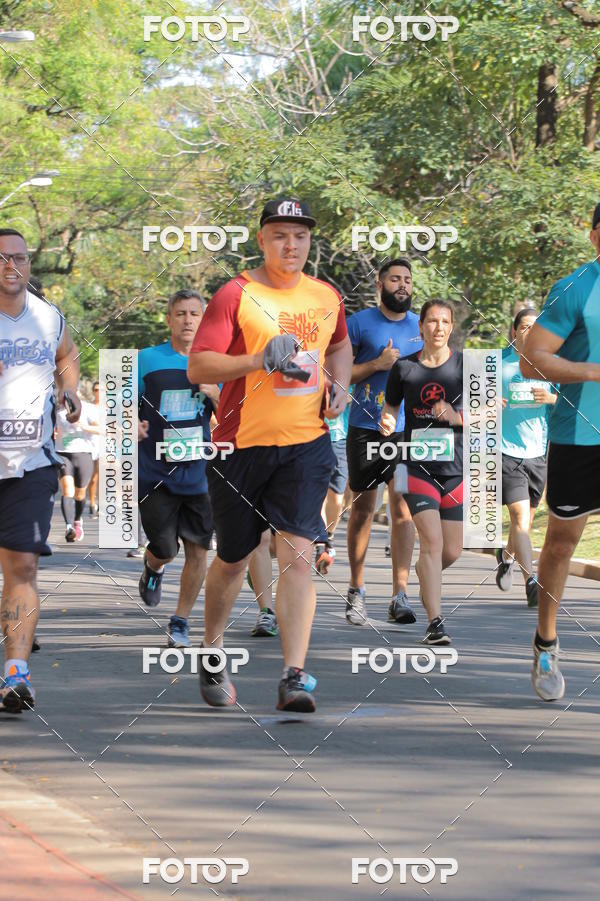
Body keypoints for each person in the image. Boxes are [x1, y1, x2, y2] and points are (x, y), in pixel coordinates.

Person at [188, 198, 351, 712]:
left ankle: (293, 676)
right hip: (238, 447)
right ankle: (212, 649)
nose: (291, 245)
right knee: (233, 560)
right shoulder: (236, 294)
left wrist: (341, 384)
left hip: (306, 444)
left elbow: (339, 346)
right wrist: (259, 359)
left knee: (297, 555)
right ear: (262, 240)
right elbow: (199, 367)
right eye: (280, 235)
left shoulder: (326, 295)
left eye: (300, 236)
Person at [520, 203, 600, 701]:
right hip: (580, 437)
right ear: (594, 236)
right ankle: (546, 641)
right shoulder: (575, 288)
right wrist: (593, 372)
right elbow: (531, 362)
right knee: (562, 543)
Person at [0, 228, 81, 712]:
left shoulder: (48, 316)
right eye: (1, 258)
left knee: (23, 564)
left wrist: (69, 389)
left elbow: (66, 356)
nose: (11, 266)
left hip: (31, 461)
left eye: (19, 258)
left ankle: (16, 673)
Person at [137, 289, 219, 649]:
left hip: (199, 471)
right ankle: (153, 567)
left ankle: (180, 621)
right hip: (154, 470)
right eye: (181, 313)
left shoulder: (216, 362)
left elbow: (234, 418)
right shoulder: (146, 359)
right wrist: (130, 422)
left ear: (204, 320)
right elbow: (119, 405)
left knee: (199, 549)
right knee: (165, 548)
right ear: (169, 319)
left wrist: (214, 393)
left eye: (194, 314)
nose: (188, 320)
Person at [380, 300, 463, 645]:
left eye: (445, 321)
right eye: (432, 321)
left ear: (452, 327)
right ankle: (435, 623)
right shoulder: (404, 368)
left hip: (455, 467)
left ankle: (424, 572)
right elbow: (390, 408)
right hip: (416, 465)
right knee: (432, 542)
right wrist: (387, 421)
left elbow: (489, 411)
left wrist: (457, 416)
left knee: (452, 551)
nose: (438, 327)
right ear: (421, 326)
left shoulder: (465, 365)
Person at [345, 258, 421, 626]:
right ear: (380, 284)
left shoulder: (421, 326)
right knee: (362, 509)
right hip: (365, 428)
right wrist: (377, 364)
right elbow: (339, 375)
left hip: (406, 431)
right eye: (395, 279)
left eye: (407, 279)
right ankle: (356, 589)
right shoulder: (358, 323)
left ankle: (399, 595)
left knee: (403, 509)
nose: (402, 285)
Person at [496, 308, 556, 607]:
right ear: (514, 331)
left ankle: (507, 556)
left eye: (536, 327)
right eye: (525, 327)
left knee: (526, 522)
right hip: (507, 453)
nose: (530, 332)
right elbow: (473, 396)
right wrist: (489, 400)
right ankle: (531, 581)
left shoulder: (549, 365)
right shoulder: (497, 363)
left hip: (537, 454)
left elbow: (567, 402)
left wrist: (551, 398)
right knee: (519, 518)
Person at [55, 388, 98, 542]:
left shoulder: (88, 409)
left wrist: (84, 426)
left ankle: (77, 520)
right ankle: (69, 527)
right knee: (67, 490)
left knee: (80, 494)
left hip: (84, 454)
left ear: (79, 394)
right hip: (63, 453)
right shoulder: (57, 409)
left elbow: (102, 428)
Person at [315, 402, 350, 574]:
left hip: (341, 441)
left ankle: (329, 535)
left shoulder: (348, 384)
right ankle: (321, 546)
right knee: (318, 495)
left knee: (337, 498)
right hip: (316, 438)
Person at [87, 381, 100, 516]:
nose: (98, 392)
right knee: (94, 477)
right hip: (92, 444)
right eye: (96, 390)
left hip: (107, 444)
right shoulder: (89, 407)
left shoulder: (110, 408)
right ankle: (91, 503)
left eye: (101, 390)